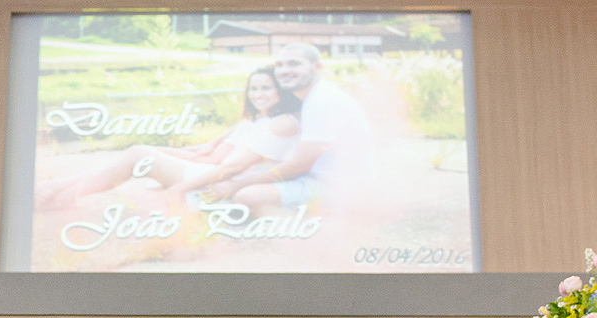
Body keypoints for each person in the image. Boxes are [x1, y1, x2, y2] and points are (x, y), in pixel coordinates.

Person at [38, 67, 300, 209]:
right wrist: (156, 150)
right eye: (253, 88)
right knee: (138, 153)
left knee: (139, 155)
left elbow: (231, 167)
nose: (258, 94)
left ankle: (58, 189)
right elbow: (210, 153)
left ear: (281, 91)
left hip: (217, 178)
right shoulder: (253, 121)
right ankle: (59, 193)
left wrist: (180, 188)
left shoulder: (281, 123)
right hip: (209, 168)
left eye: (266, 88)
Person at [206, 44, 374, 217]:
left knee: (247, 195)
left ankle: (316, 219)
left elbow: (300, 164)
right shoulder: (314, 96)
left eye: (294, 64)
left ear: (317, 67)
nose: (284, 71)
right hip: (315, 177)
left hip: (336, 187)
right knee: (247, 179)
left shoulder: (322, 101)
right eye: (279, 65)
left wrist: (237, 185)